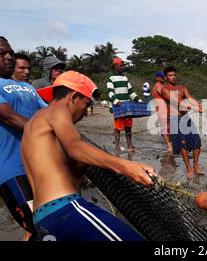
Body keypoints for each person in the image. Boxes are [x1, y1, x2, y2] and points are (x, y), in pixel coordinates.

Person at [22, 70, 157, 241]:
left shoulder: (32, 125)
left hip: (43, 218)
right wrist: (126, 166)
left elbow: (68, 169)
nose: (85, 113)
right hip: (66, 209)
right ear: (73, 96)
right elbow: (75, 147)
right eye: (86, 105)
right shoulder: (58, 110)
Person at [0, 36, 47, 240]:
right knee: (40, 227)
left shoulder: (28, 87)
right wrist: (54, 131)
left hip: (41, 165)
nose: (9, 57)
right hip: (12, 170)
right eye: (2, 53)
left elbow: (49, 114)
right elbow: (9, 117)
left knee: (48, 223)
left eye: (11, 53)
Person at [160, 66, 203, 177]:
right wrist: (190, 106)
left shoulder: (182, 88)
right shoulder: (164, 89)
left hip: (186, 118)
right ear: (165, 77)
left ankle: (196, 166)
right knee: (183, 144)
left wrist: (198, 105)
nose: (173, 77)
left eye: (174, 75)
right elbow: (176, 101)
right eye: (170, 75)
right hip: (174, 119)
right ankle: (188, 168)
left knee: (197, 141)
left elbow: (190, 98)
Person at [107, 57, 142, 156]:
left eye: (123, 65)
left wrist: (138, 100)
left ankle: (130, 146)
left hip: (127, 106)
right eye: (121, 65)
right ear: (115, 66)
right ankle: (117, 146)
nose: (123, 67)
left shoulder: (125, 78)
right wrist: (116, 100)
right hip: (118, 107)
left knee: (128, 127)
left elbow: (131, 92)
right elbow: (110, 91)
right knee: (118, 128)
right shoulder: (111, 78)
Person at [151, 71, 172, 155]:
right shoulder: (158, 85)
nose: (164, 78)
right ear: (157, 78)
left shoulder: (162, 85)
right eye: (162, 77)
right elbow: (165, 95)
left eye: (164, 77)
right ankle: (169, 145)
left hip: (165, 107)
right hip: (161, 107)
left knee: (168, 126)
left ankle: (170, 142)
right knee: (164, 126)